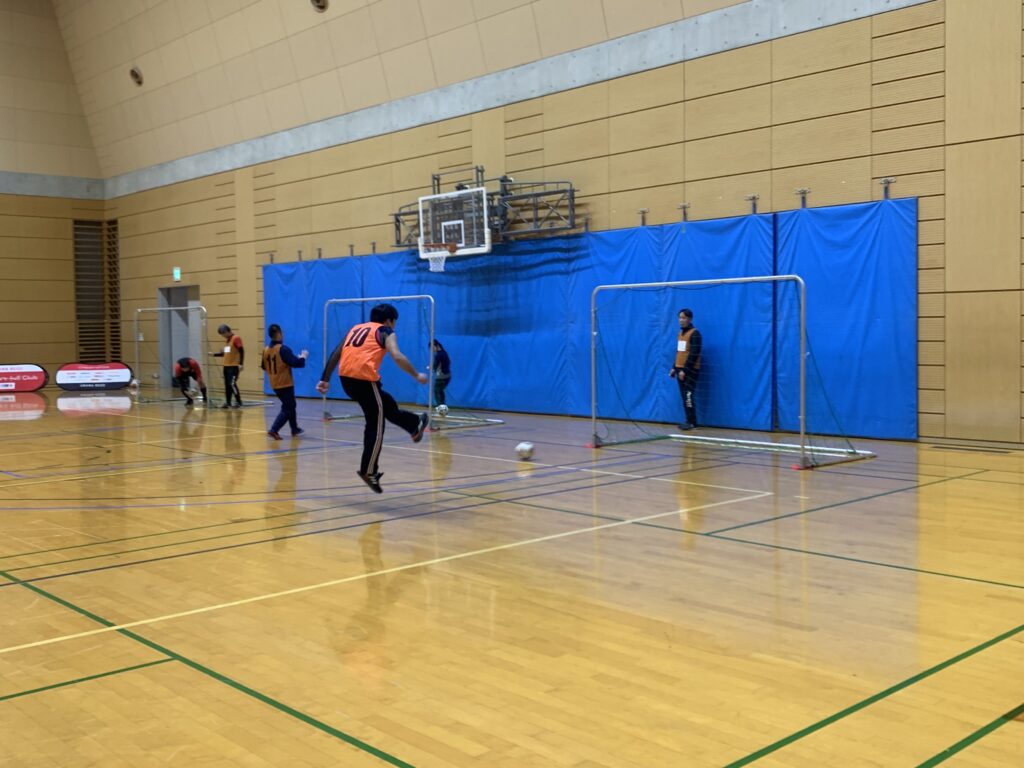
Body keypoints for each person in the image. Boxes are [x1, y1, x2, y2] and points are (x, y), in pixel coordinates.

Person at [317, 303, 429, 494]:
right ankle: (368, 471)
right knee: (376, 424)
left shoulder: (356, 329)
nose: (394, 326)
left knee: (386, 404)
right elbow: (397, 356)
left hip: (346, 380)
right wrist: (416, 375)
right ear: (389, 320)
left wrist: (325, 379)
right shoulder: (385, 331)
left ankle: (414, 424)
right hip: (364, 381)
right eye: (394, 322)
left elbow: (336, 353)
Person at [262, 323, 309, 440]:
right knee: (288, 407)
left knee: (290, 405)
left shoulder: (266, 350)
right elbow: (297, 363)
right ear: (279, 333)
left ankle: (294, 428)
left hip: (274, 383)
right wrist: (303, 357)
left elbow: (263, 366)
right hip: (284, 383)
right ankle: (274, 429)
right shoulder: (283, 349)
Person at [669, 308, 702, 430]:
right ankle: (688, 420)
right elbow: (679, 352)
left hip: (690, 371)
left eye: (684, 318)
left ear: (690, 319)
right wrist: (674, 367)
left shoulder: (695, 333)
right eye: (680, 317)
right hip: (679, 369)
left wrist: (685, 370)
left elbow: (694, 354)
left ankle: (692, 422)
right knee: (684, 396)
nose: (681, 320)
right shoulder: (680, 334)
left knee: (688, 396)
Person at [212, 323, 244, 408]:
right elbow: (225, 354)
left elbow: (241, 351)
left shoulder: (236, 338)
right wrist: (214, 354)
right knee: (227, 385)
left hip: (233, 366)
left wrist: (241, 364)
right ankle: (228, 402)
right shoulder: (227, 341)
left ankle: (238, 402)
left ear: (226, 331)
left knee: (232, 384)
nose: (222, 336)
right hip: (226, 366)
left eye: (222, 334)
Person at [432, 339, 451, 411]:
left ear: (436, 346)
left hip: (441, 377)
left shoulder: (439, 354)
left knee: (437, 391)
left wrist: (432, 368)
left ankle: (441, 407)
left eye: (432, 348)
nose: (432, 350)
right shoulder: (444, 352)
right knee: (440, 391)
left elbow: (436, 365)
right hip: (447, 376)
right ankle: (442, 406)